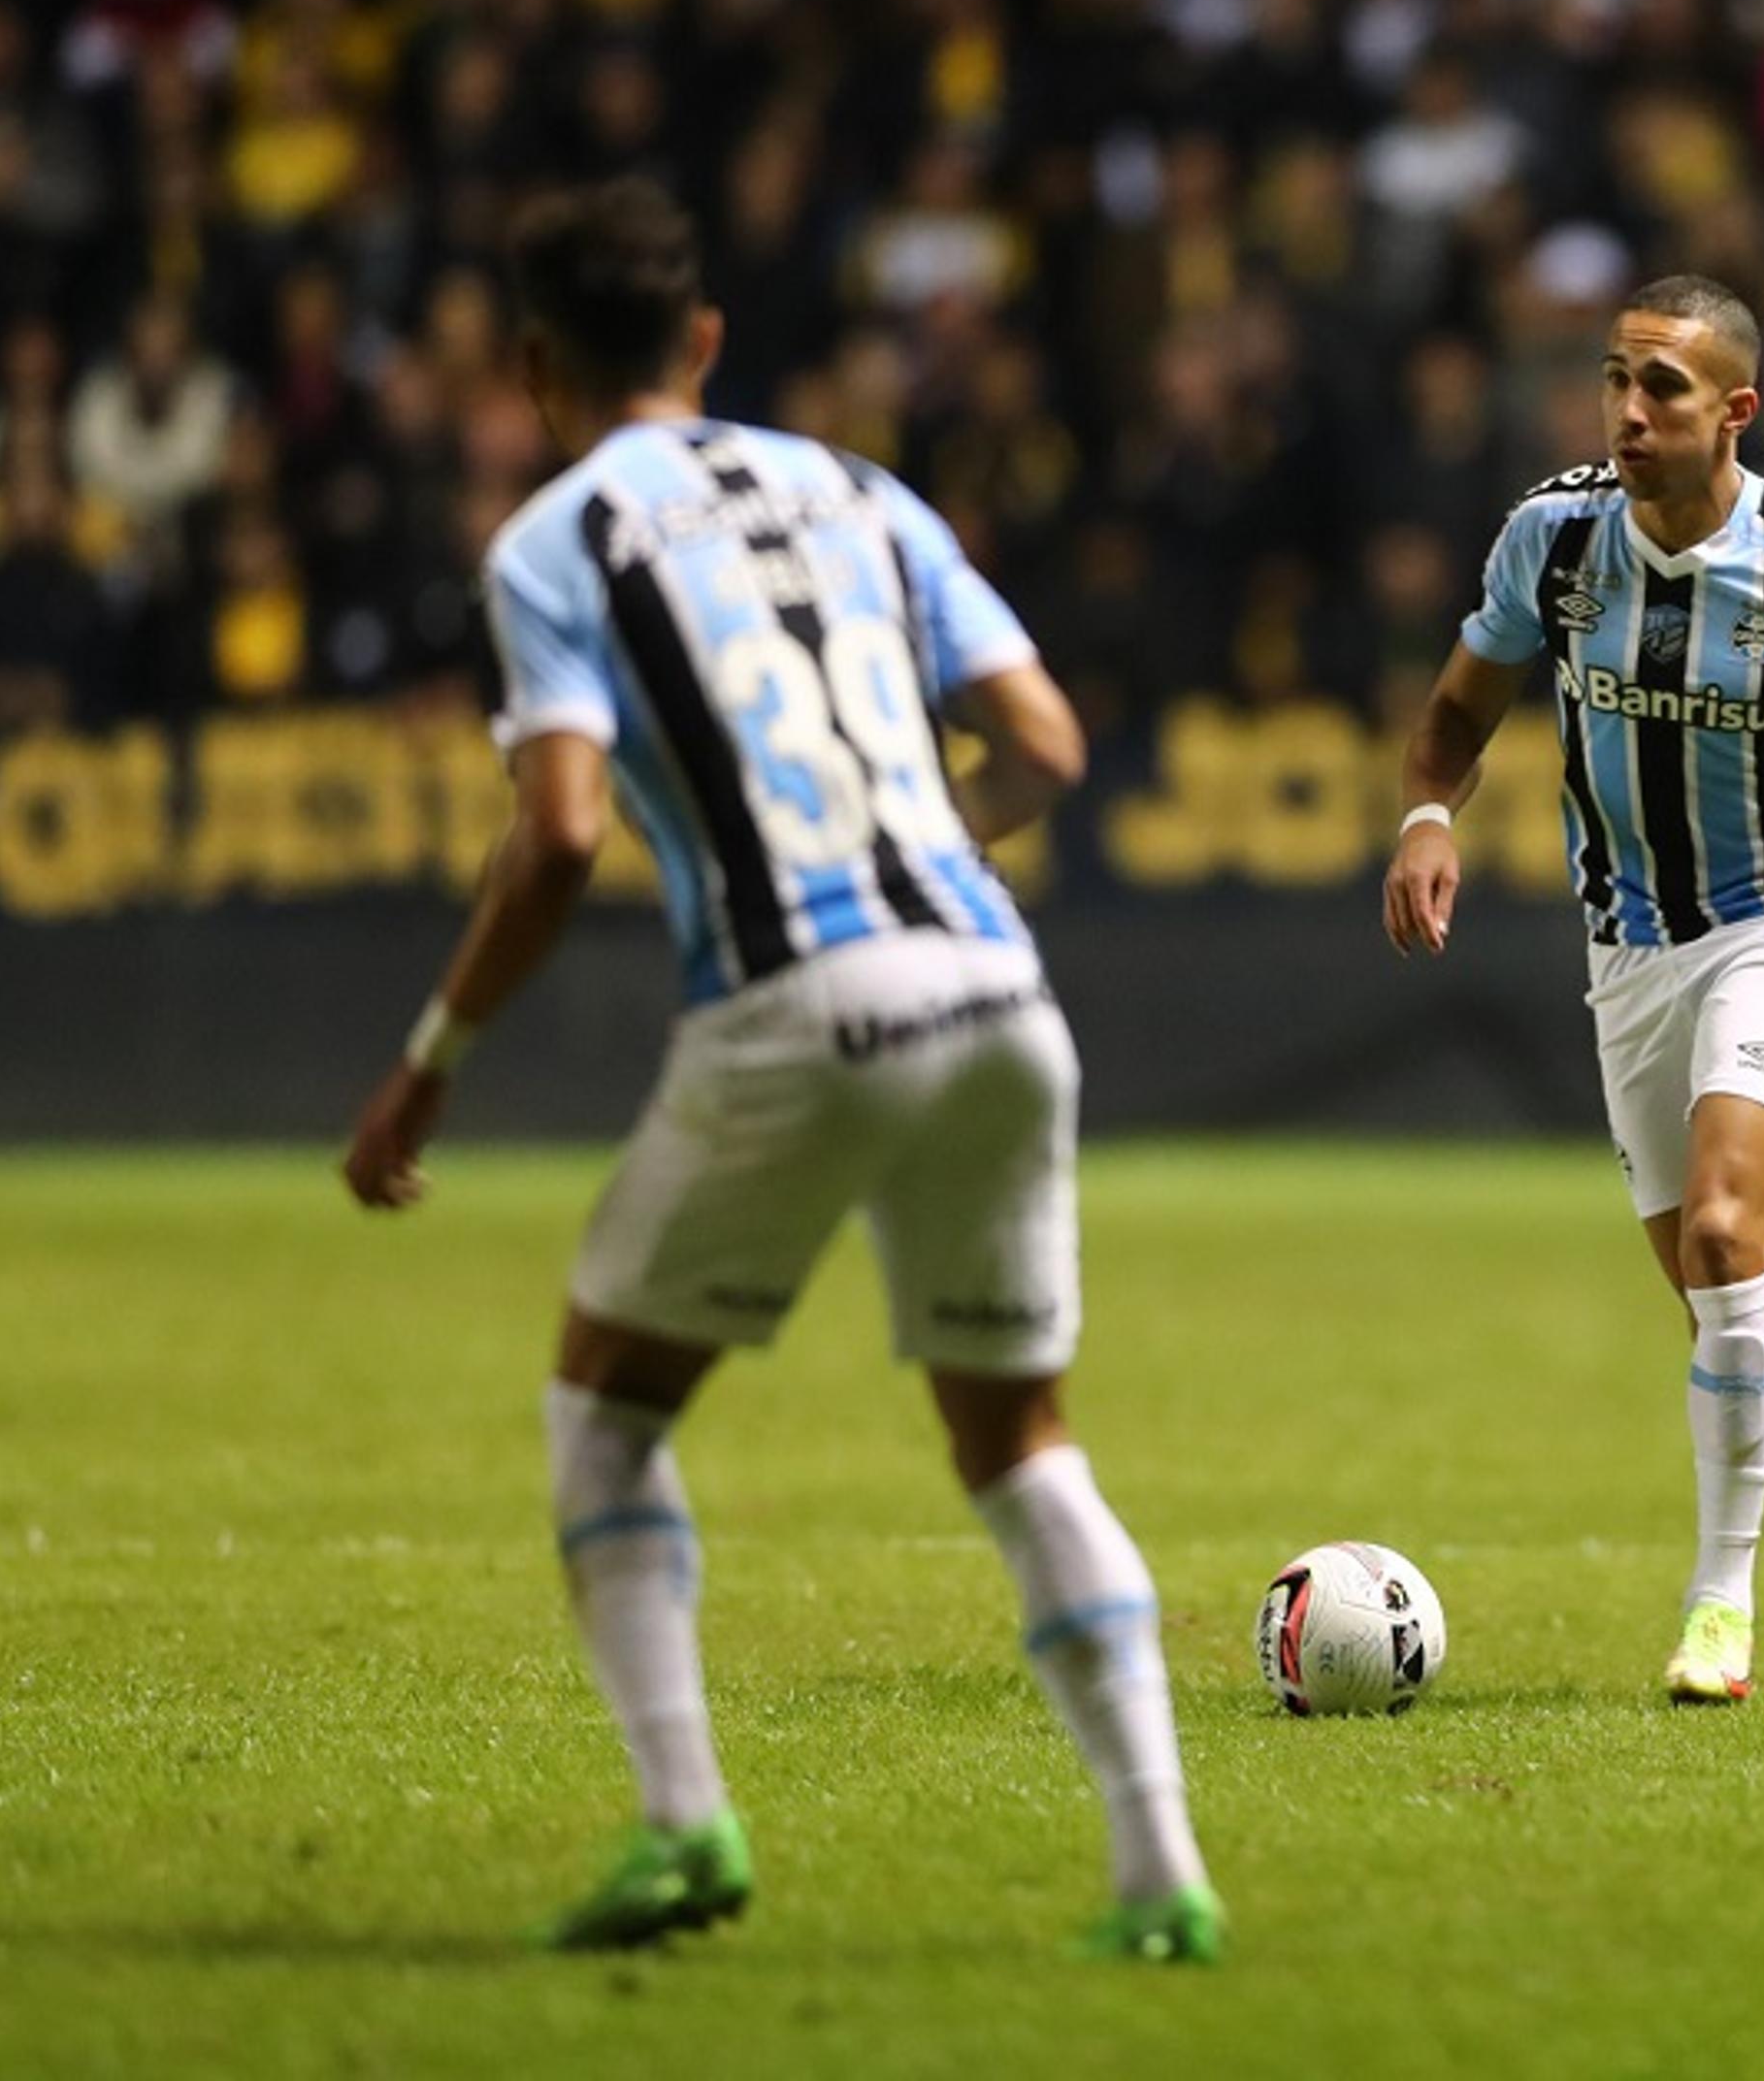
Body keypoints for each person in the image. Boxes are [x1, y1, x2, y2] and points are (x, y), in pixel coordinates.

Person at [336, 179, 1219, 1965]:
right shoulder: (864, 492)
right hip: (995, 989)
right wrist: (928, 859)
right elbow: (1048, 742)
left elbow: (561, 832)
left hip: (800, 1003)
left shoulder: (551, 543)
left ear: (530, 366)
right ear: (708, 341)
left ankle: (684, 1826)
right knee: (1018, 1437)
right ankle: (1161, 1878)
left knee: (605, 1402)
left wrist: (430, 1066)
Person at [1380, 273, 1764, 1705]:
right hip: (1630, 949)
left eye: (1662, 386)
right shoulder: (1553, 537)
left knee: (1726, 1228)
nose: (1632, 410)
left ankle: (1720, 1611)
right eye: (1616, 379)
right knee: (1728, 1294)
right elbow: (1450, 726)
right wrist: (1426, 820)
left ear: (1737, 410)